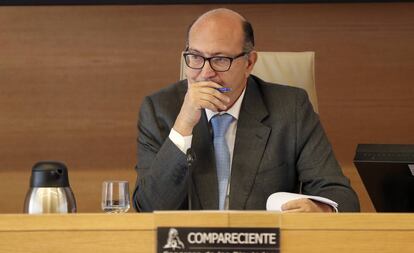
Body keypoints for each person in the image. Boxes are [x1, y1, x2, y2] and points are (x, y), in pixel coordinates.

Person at [133, 8, 360, 212]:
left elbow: (341, 196)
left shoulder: (291, 109)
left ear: (249, 63)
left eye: (220, 59)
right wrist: (183, 126)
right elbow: (149, 208)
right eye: (195, 57)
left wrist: (320, 210)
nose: (205, 72)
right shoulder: (158, 110)